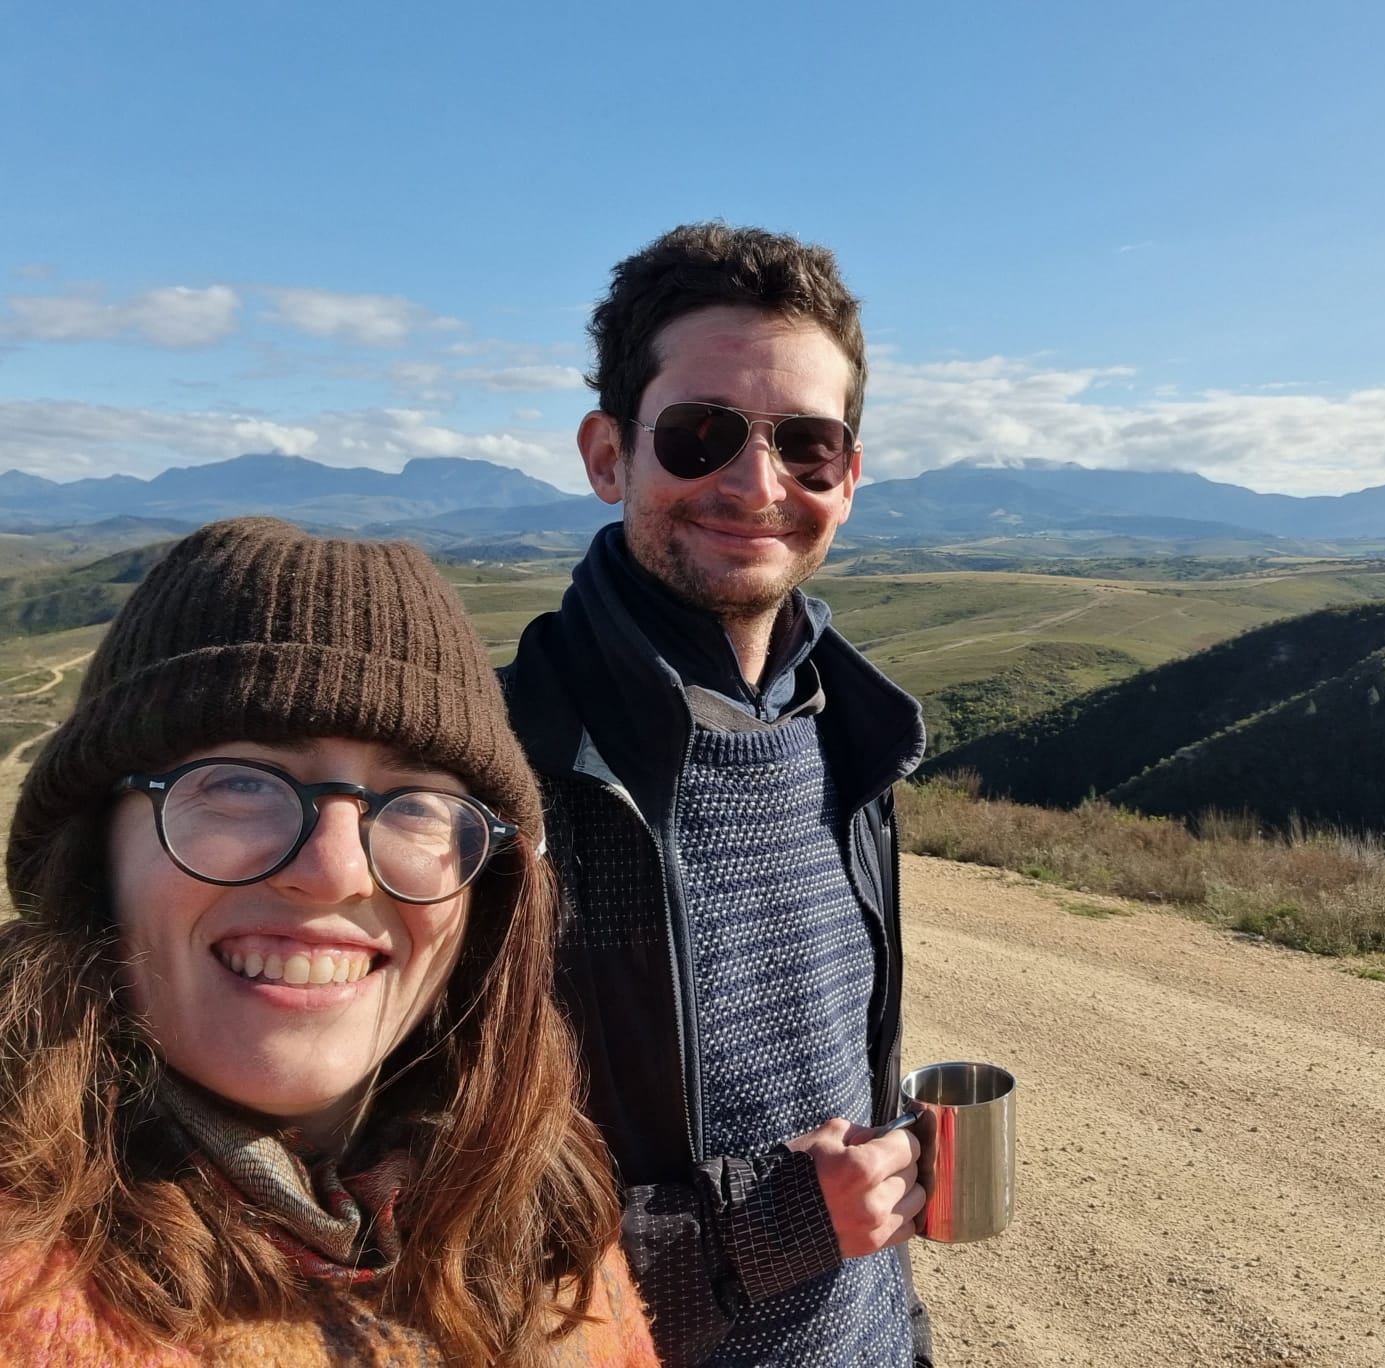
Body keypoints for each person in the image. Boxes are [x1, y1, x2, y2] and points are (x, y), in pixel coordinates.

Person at [0, 517, 658, 1366]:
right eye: (240, 781)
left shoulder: (542, 1222)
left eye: (416, 800)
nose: (336, 869)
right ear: (97, 855)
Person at [502, 223, 931, 1366]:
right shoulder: (499, 779)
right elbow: (427, 1247)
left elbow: (854, 1111)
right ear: (608, 456)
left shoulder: (854, 739)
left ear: (849, 475)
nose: (756, 484)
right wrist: (767, 1232)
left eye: (808, 444)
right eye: (700, 435)